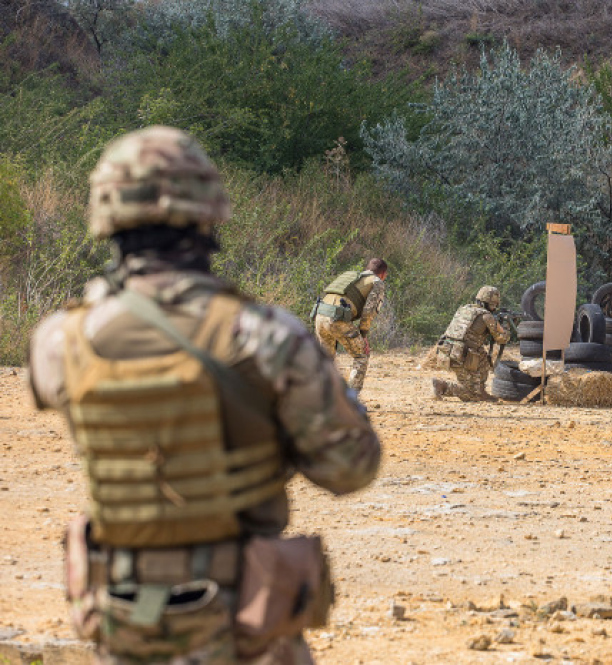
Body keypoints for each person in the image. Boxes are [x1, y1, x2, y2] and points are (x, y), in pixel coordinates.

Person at [28, 125, 381, 664]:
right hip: (242, 622)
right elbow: (350, 468)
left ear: (105, 215)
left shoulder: (59, 340)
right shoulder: (264, 336)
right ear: (209, 213)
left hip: (126, 621)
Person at [312, 258, 388, 394]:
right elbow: (369, 311)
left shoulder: (352, 277)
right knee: (361, 355)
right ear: (383, 274)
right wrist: (363, 335)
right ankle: (351, 399)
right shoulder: (377, 282)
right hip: (336, 320)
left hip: (319, 316)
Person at [431, 286, 510, 402]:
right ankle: (442, 386)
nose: (494, 308)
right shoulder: (486, 316)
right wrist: (506, 327)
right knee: (471, 395)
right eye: (492, 305)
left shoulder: (465, 309)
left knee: (483, 358)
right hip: (462, 356)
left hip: (449, 350)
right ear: (486, 303)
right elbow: (501, 339)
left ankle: (481, 391)